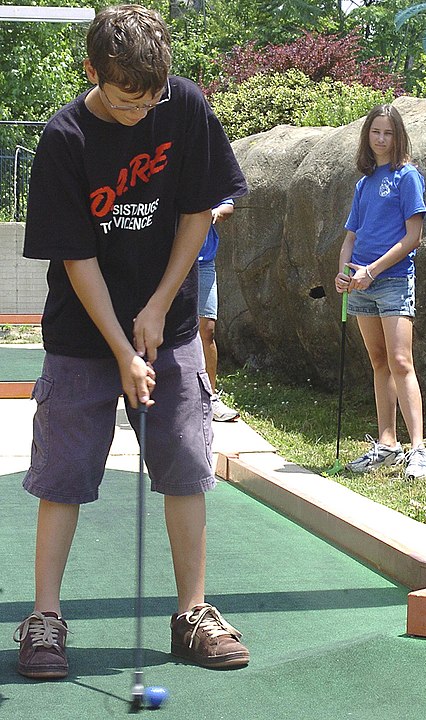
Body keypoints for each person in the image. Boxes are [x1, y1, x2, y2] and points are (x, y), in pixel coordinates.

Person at [13, 4, 250, 679]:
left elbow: (197, 211)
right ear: (94, 72)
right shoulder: (65, 139)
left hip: (166, 326)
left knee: (184, 463)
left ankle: (193, 613)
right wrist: (120, 347)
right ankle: (46, 617)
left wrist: (156, 307)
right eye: (125, 101)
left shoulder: (186, 107)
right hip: (80, 336)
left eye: (151, 100)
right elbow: (77, 260)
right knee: (64, 475)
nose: (141, 114)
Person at [335, 104, 426, 481]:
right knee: (378, 361)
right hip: (359, 283)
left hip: (390, 281)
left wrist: (372, 271)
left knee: (400, 361)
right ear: (367, 136)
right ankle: (387, 444)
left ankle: (419, 449)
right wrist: (344, 272)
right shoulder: (364, 183)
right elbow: (350, 238)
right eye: (375, 132)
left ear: (398, 136)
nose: (381, 139)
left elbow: (414, 237)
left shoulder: (408, 177)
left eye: (388, 133)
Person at [198, 199, 240, 422]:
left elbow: (228, 206)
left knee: (207, 330)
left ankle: (210, 398)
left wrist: (213, 213)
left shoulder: (209, 166)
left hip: (204, 263)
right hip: (169, 262)